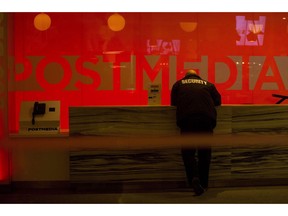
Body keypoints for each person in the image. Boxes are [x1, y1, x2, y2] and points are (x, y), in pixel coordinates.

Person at [171, 69, 221, 196]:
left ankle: (194, 178)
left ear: (185, 76)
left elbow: (173, 103)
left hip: (187, 120)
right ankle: (203, 183)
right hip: (206, 121)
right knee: (205, 153)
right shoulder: (208, 84)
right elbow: (218, 102)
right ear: (198, 76)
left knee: (188, 153)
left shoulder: (178, 84)